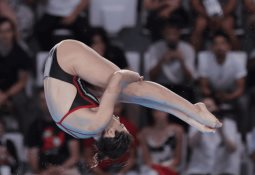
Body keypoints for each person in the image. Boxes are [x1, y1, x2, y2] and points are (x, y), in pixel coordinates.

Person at [43, 39, 222, 163]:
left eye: (120, 125)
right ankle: (191, 115)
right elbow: (140, 100)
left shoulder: (98, 123)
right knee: (131, 95)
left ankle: (194, 111)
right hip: (57, 64)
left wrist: (133, 76)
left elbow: (118, 76)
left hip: (65, 57)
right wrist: (188, 119)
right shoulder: (85, 131)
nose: (119, 120)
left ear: (111, 133)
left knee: (133, 88)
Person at [25, 88, 80, 175]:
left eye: (49, 100)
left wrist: (58, 169)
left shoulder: (68, 122)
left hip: (65, 168)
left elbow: (75, 157)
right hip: (43, 170)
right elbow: (32, 156)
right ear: (39, 103)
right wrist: (43, 172)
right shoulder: (34, 127)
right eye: (43, 100)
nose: (46, 104)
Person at [84, 103, 138, 175]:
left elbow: (132, 156)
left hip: (120, 168)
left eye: (117, 106)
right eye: (111, 106)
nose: (114, 110)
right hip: (98, 169)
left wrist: (121, 173)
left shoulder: (129, 127)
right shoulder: (93, 127)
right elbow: (88, 157)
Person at [138, 109, 184, 175]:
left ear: (168, 111)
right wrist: (158, 168)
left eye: (161, 110)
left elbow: (178, 159)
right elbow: (146, 160)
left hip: (170, 167)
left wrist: (165, 168)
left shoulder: (177, 130)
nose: (159, 114)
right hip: (151, 169)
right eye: (155, 111)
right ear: (152, 113)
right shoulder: (144, 132)